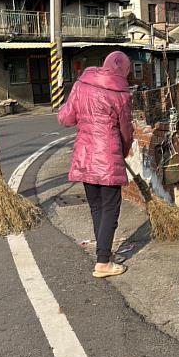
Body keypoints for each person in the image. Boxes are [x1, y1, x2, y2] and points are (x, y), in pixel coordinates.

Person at [58, 51, 133, 278]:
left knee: (97, 207)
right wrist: (124, 151)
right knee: (110, 207)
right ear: (125, 71)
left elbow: (65, 119)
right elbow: (126, 132)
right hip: (108, 156)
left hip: (84, 156)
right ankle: (103, 262)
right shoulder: (121, 94)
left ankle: (104, 256)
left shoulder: (82, 85)